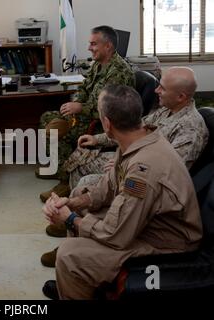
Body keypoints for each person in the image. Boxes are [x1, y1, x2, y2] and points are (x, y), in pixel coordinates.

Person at [42, 85, 202, 300]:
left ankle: (76, 274)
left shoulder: (143, 169)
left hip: (165, 245)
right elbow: (105, 189)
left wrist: (69, 219)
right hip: (147, 225)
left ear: (107, 123)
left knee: (69, 255)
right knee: (83, 197)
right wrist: (72, 204)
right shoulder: (136, 139)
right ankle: (79, 281)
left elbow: (115, 235)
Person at [38, 25, 134, 202]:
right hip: (87, 114)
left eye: (93, 44)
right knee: (47, 118)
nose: (89, 48)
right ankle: (60, 167)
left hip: (102, 123)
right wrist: (75, 103)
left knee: (57, 132)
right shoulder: (97, 63)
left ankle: (65, 182)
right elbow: (85, 87)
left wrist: (81, 108)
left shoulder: (119, 72)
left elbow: (109, 109)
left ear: (108, 46)